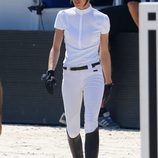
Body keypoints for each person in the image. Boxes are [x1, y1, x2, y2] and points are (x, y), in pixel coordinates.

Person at [44, 0, 112, 157]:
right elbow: (55, 48)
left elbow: (104, 52)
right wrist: (50, 71)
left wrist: (108, 81)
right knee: (72, 127)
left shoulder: (101, 19)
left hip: (93, 74)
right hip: (70, 75)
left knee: (91, 122)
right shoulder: (63, 16)